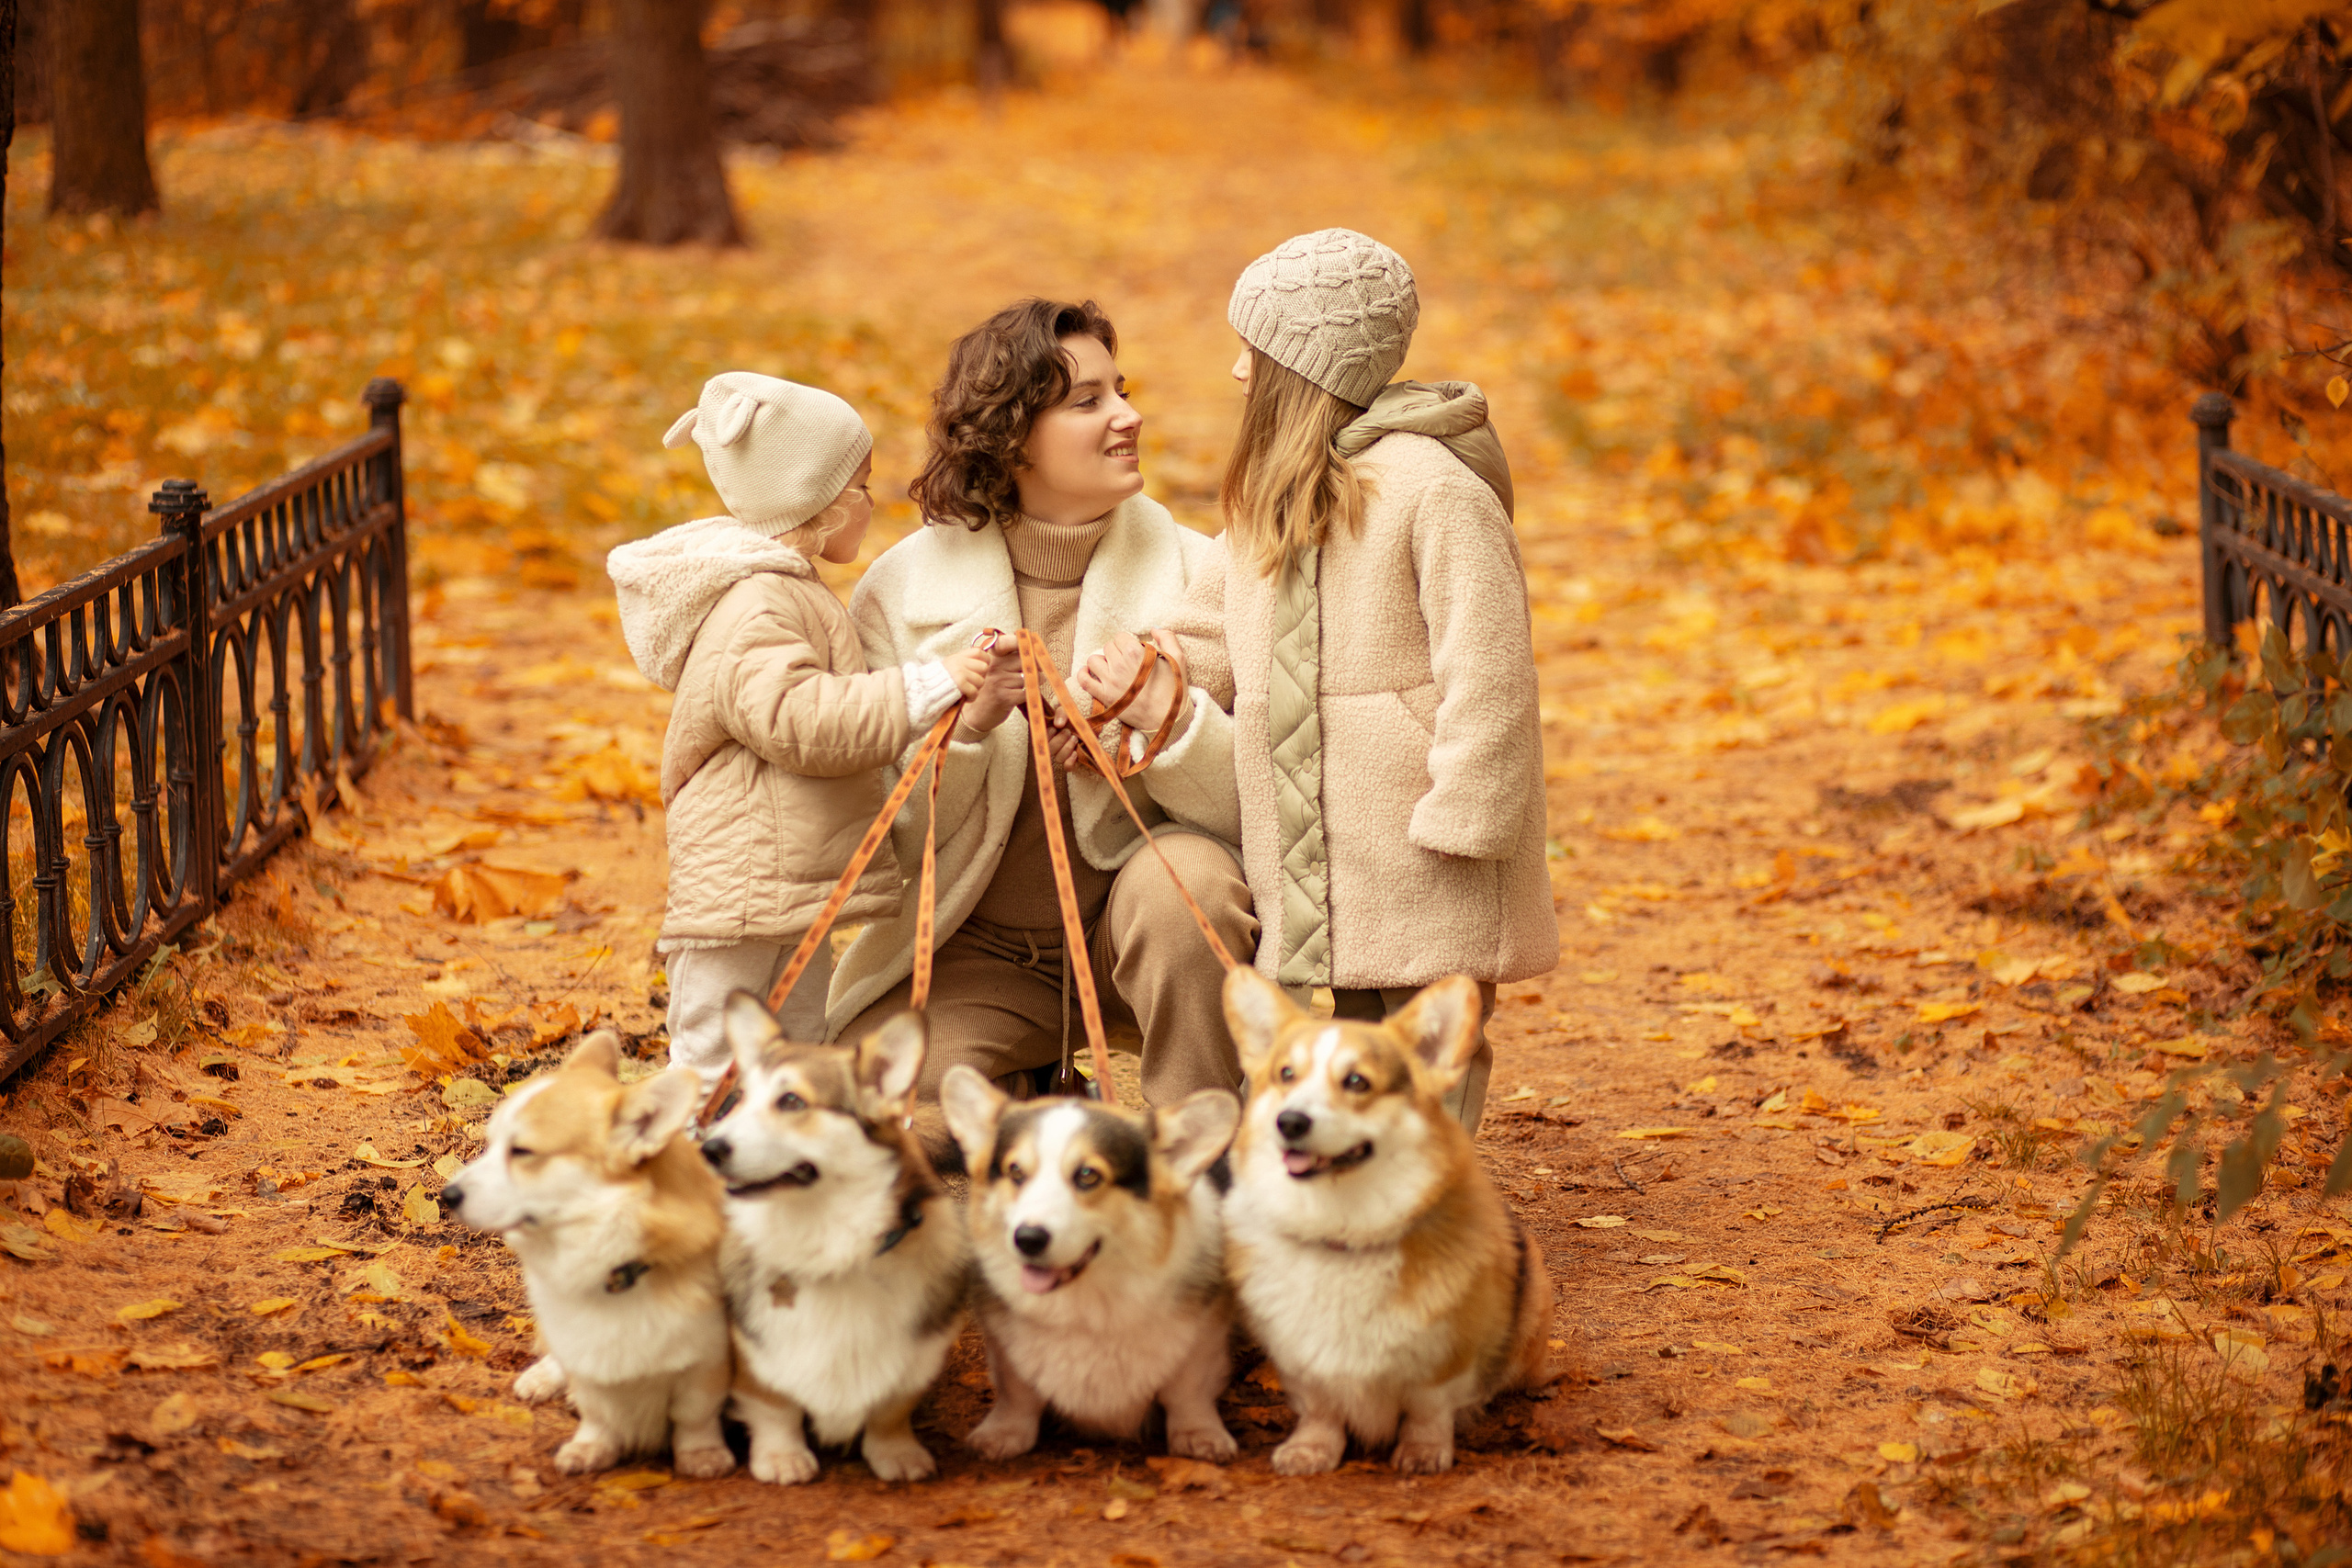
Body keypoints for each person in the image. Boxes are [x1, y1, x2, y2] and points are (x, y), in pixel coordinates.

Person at [1082, 229, 1558, 1134]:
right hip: (1328, 837)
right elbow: (1209, 631)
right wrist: (1136, 679)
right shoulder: (1272, 494)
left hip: (1423, 834)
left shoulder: (1434, 492)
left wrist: (1466, 818)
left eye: (1252, 352)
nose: (1236, 371)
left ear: (1303, 369)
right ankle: (1348, 1187)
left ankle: (1424, 1198)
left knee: (1426, 1046)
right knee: (1351, 1046)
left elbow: (1490, 672)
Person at [830, 299, 1257, 1111]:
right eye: (1088, 401)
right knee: (862, 1100)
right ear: (1011, 434)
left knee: (1191, 884)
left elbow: (1259, 813)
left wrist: (1163, 733)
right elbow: (879, 837)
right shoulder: (898, 591)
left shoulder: (1201, 574)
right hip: (976, 950)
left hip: (1134, 935)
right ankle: (1034, 1087)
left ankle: (1196, 1134)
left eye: (1121, 390)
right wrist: (966, 728)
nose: (1128, 416)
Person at [607, 371, 988, 1091]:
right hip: (741, 890)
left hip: (787, 883)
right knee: (712, 1055)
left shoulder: (787, 588)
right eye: (863, 486)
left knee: (796, 1052)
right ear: (820, 499)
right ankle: (681, 1151)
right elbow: (800, 719)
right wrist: (928, 685)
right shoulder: (756, 604)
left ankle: (778, 1153)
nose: (873, 502)